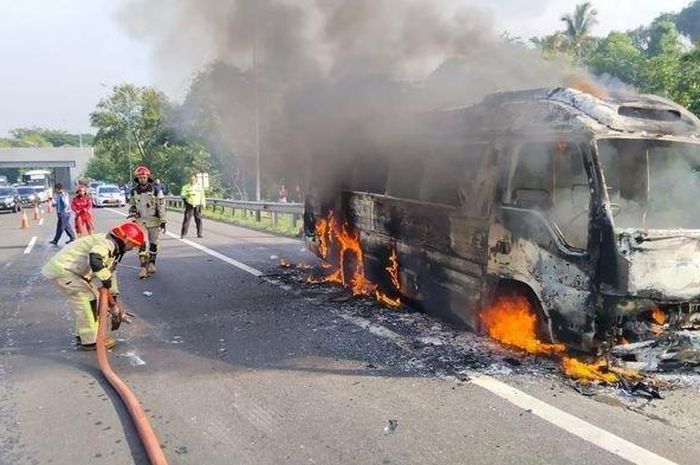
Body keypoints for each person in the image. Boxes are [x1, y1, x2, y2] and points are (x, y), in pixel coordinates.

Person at [41, 222, 145, 349]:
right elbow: (95, 260)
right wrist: (105, 283)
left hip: (71, 272)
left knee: (91, 300)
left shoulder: (113, 249)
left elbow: (109, 275)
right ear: (125, 239)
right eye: (132, 245)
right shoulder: (107, 243)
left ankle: (82, 336)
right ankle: (91, 341)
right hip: (64, 271)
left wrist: (115, 304)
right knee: (87, 301)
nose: (131, 248)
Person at [129, 166, 166, 279]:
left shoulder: (156, 190)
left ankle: (152, 263)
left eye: (144, 177)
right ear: (137, 179)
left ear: (148, 177)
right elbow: (132, 205)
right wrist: (133, 212)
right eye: (140, 177)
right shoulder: (134, 191)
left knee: (154, 243)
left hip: (154, 221)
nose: (142, 179)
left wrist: (163, 220)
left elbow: (161, 206)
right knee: (142, 244)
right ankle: (143, 267)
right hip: (140, 222)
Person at [180, 174, 206, 239]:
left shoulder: (199, 187)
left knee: (198, 219)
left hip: (197, 204)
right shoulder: (185, 187)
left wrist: (203, 204)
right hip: (189, 204)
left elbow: (202, 196)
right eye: (191, 179)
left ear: (196, 179)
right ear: (189, 180)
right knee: (187, 219)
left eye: (193, 179)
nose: (192, 181)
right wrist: (188, 194)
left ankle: (199, 234)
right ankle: (183, 234)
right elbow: (182, 195)